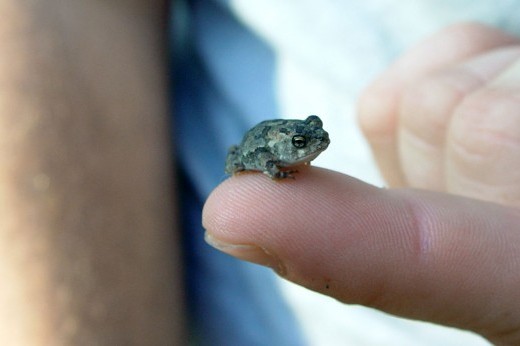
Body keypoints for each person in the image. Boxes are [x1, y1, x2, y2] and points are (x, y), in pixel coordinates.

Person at [199, 2, 520, 346]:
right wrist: (275, 174)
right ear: (291, 145)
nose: (317, 141)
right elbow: (260, 154)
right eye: (303, 141)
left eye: (315, 131)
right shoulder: (271, 152)